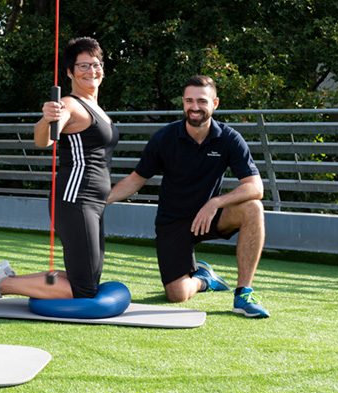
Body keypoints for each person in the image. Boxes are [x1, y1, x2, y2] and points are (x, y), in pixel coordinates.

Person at [0, 37, 119, 310]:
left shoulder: (97, 109)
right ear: (70, 72)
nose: (91, 71)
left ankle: (3, 276)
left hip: (93, 203)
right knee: (84, 289)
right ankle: (2, 285)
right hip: (76, 199)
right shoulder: (70, 105)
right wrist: (47, 118)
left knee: (87, 277)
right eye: (83, 66)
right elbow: (43, 141)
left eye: (96, 65)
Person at [107, 75, 269, 318]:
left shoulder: (229, 138)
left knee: (253, 208)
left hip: (209, 217)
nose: (195, 107)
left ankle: (243, 294)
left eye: (202, 101)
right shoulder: (164, 138)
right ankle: (204, 279)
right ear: (183, 102)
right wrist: (100, 200)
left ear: (214, 104)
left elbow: (255, 187)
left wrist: (215, 203)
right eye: (189, 101)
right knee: (177, 294)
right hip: (172, 222)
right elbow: (134, 181)